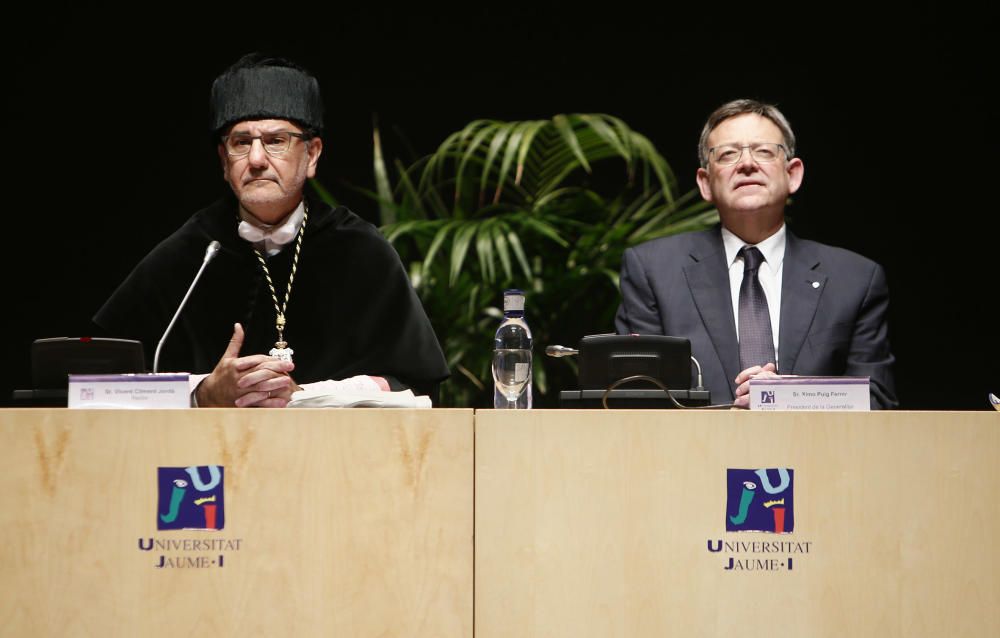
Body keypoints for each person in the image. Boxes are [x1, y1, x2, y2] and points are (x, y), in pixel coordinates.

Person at [94, 53, 450, 407]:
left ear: (312, 155)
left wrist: (304, 396)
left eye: (276, 140)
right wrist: (203, 393)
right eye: (241, 142)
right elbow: (101, 388)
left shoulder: (361, 251)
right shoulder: (190, 255)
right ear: (223, 160)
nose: (257, 159)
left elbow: (416, 387)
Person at [615, 99, 897, 409]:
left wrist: (789, 399)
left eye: (763, 151)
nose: (747, 164)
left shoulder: (854, 279)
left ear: (793, 175)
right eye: (728, 154)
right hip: (692, 454)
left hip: (814, 454)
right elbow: (638, 399)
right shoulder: (653, 270)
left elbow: (878, 401)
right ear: (705, 183)